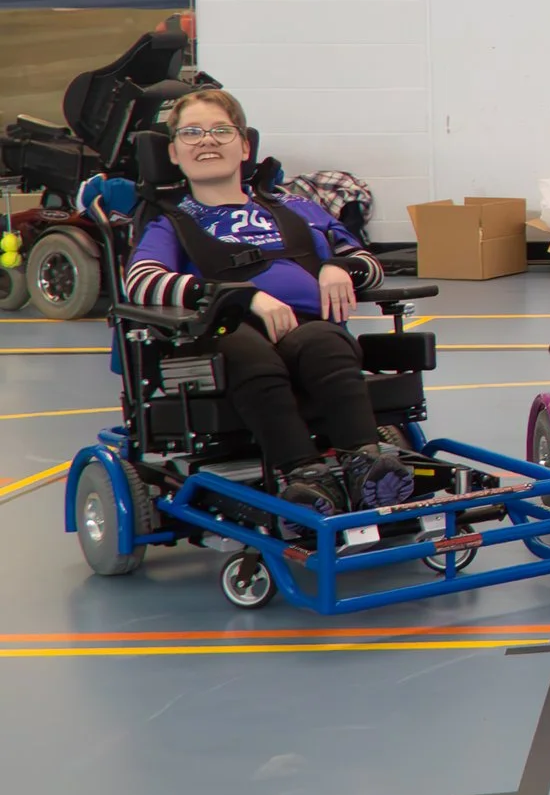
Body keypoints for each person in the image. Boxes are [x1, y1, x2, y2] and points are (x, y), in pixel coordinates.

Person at [122, 88, 414, 516]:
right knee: (243, 349)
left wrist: (339, 268)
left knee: (325, 343)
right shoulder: (172, 222)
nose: (207, 140)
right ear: (174, 151)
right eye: (192, 133)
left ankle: (367, 465)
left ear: (244, 146)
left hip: (306, 330)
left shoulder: (295, 208)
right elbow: (141, 281)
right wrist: (241, 297)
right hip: (224, 335)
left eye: (221, 130)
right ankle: (305, 477)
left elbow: (366, 261)